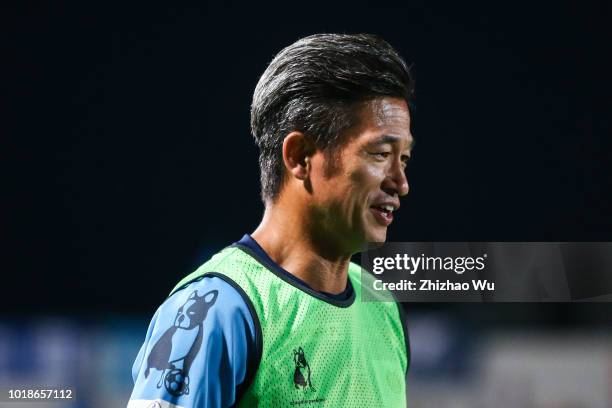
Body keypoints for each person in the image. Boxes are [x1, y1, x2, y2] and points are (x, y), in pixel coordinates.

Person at [128, 33, 414, 408]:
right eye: (380, 154)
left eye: (404, 159)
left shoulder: (382, 306)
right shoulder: (220, 311)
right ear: (299, 156)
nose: (401, 184)